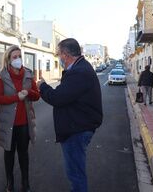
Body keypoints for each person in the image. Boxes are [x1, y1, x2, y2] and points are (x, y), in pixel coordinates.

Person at [37, 38, 103, 192]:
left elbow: (57, 98)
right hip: (78, 126)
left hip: (76, 130)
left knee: (76, 174)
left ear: (66, 55)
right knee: (76, 172)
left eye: (59, 54)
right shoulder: (80, 68)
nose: (58, 58)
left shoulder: (78, 72)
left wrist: (42, 86)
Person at [0, 45, 40, 192]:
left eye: (19, 56)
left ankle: (25, 183)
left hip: (24, 122)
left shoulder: (28, 74)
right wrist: (15, 97)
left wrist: (29, 91)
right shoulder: (2, 77)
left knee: (24, 155)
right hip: (8, 123)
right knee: (9, 154)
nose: (18, 59)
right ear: (8, 60)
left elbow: (37, 96)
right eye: (15, 57)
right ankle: (9, 183)